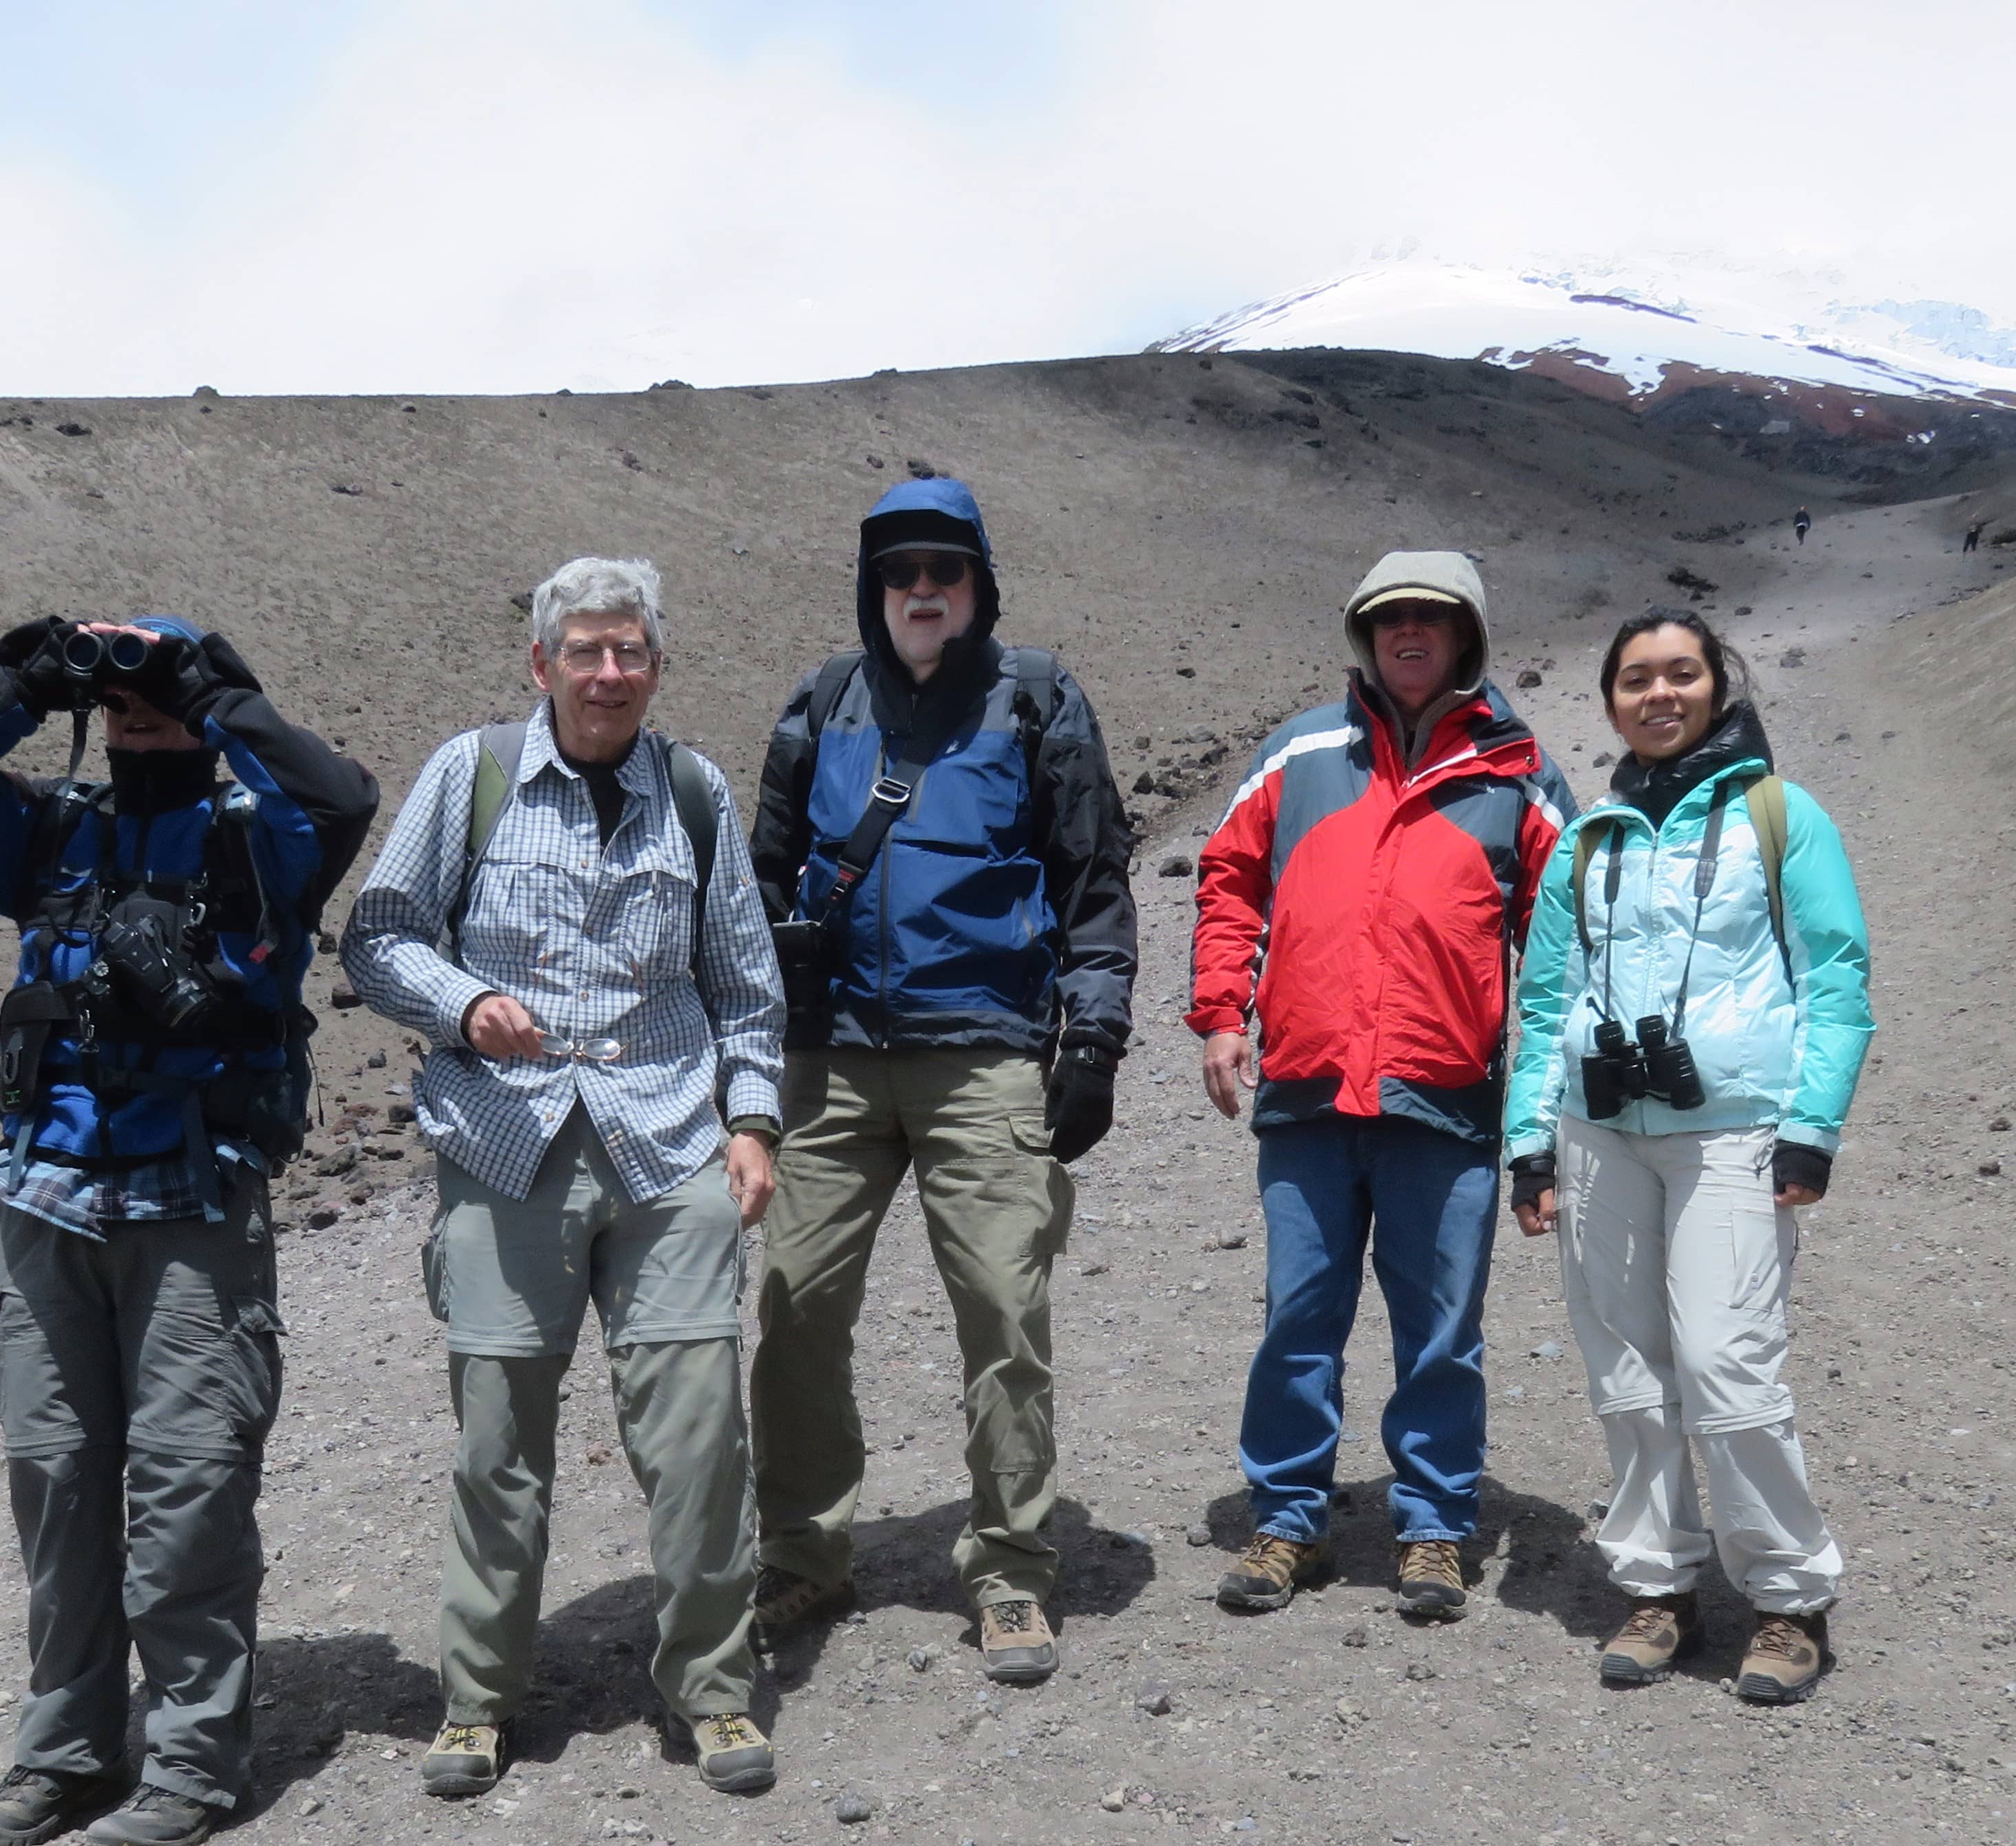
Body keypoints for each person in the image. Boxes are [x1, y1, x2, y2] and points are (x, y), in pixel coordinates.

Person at [0, 614, 378, 1846]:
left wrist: (211, 689)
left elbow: (341, 795)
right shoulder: (52, 835)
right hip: (44, 1205)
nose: (139, 716)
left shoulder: (264, 845)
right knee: (60, 1484)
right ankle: (67, 1754)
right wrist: (22, 686)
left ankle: (196, 1764)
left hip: (192, 1206)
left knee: (190, 1491)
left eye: (164, 700)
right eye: (123, 700)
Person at [340, 557, 786, 1799]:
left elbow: (745, 982)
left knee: (699, 1432)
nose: (608, 672)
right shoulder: (469, 776)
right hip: (504, 1147)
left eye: (630, 651)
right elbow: (378, 935)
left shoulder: (695, 794)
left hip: (667, 1143)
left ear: (657, 664)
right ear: (540, 665)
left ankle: (714, 1689)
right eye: (585, 651)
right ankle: (478, 1699)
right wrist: (465, 1001)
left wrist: (752, 1124)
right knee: (497, 1444)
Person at [744, 476, 1137, 1685]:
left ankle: (1013, 1566)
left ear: (980, 585)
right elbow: (759, 881)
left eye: (944, 574)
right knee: (797, 1311)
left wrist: (1095, 1041)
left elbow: (1094, 879)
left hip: (985, 1053)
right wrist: (755, 1041)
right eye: (901, 575)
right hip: (833, 1061)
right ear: (875, 589)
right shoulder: (823, 702)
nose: (923, 593)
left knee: (1004, 1316)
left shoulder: (1037, 699)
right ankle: (805, 1554)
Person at [1188, 551, 1571, 1623]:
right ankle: (1286, 1520)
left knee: (1442, 1323)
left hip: (1445, 1095)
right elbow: (1228, 875)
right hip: (1310, 1089)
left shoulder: (1520, 771)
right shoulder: (1301, 750)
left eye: (1433, 619)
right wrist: (1224, 1008)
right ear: (1366, 631)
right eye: (1391, 617)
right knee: (1299, 1314)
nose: (1410, 633)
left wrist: (1543, 1085)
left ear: (1467, 638)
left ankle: (1437, 1527)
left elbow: (1563, 932)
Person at [1503, 606, 1873, 1703]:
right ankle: (1657, 1585)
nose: (1659, 695)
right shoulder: (1586, 841)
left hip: (1734, 1131)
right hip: (1599, 1130)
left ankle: (1788, 1596)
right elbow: (1544, 1000)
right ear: (1612, 699)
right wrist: (1530, 1142)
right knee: (1625, 1370)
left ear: (1719, 685)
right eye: (1636, 680)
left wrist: (1812, 1127)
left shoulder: (1780, 815)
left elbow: (1838, 979)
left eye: (1681, 674)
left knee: (1726, 1363)